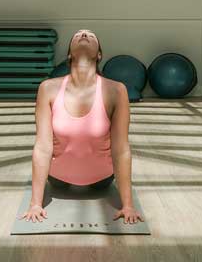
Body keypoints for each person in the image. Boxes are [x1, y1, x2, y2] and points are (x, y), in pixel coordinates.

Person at [20, 29, 144, 225]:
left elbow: (121, 149)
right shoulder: (48, 88)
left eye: (91, 35)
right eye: (78, 34)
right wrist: (36, 203)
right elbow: (43, 147)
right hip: (58, 179)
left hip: (101, 180)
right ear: (69, 53)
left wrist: (127, 205)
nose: (84, 35)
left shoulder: (116, 90)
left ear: (99, 54)